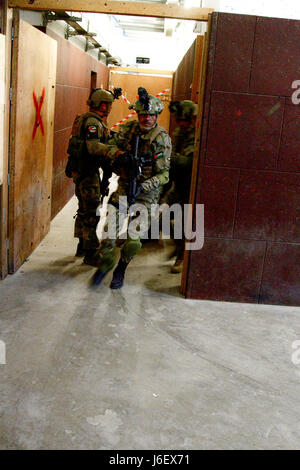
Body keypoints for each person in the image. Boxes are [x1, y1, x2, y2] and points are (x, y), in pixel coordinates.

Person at [92, 87, 172, 289]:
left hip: (147, 194)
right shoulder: (127, 130)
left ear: (157, 116)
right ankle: (105, 264)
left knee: (133, 241)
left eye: (151, 116)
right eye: (143, 115)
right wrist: (118, 154)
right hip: (125, 187)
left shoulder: (161, 139)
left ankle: (121, 268)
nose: (146, 119)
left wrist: (146, 184)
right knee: (109, 233)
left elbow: (164, 175)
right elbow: (107, 147)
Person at [65, 87, 121, 265]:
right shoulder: (93, 123)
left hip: (81, 170)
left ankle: (82, 245)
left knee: (83, 209)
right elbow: (93, 147)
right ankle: (90, 253)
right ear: (102, 105)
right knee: (91, 212)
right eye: (109, 104)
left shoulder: (86, 118)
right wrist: (114, 151)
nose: (110, 107)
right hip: (88, 172)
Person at [162, 100, 197, 273]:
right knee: (160, 216)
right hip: (177, 183)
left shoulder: (196, 135)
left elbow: (187, 162)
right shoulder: (178, 133)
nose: (182, 124)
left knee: (184, 222)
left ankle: (182, 255)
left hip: (190, 186)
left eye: (185, 120)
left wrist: (169, 158)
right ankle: (178, 245)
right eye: (179, 120)